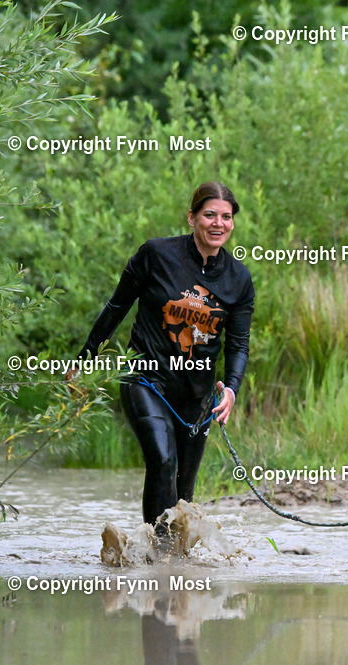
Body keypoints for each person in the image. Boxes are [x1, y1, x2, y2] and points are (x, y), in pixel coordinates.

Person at [76, 181, 254, 531]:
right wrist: (84, 360)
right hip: (146, 380)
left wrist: (232, 388)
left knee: (183, 493)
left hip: (197, 395)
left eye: (226, 217)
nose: (218, 223)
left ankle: (168, 556)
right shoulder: (156, 254)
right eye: (210, 215)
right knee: (162, 461)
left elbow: (238, 343)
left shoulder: (239, 279)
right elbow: (116, 308)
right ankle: (160, 554)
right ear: (192, 217)